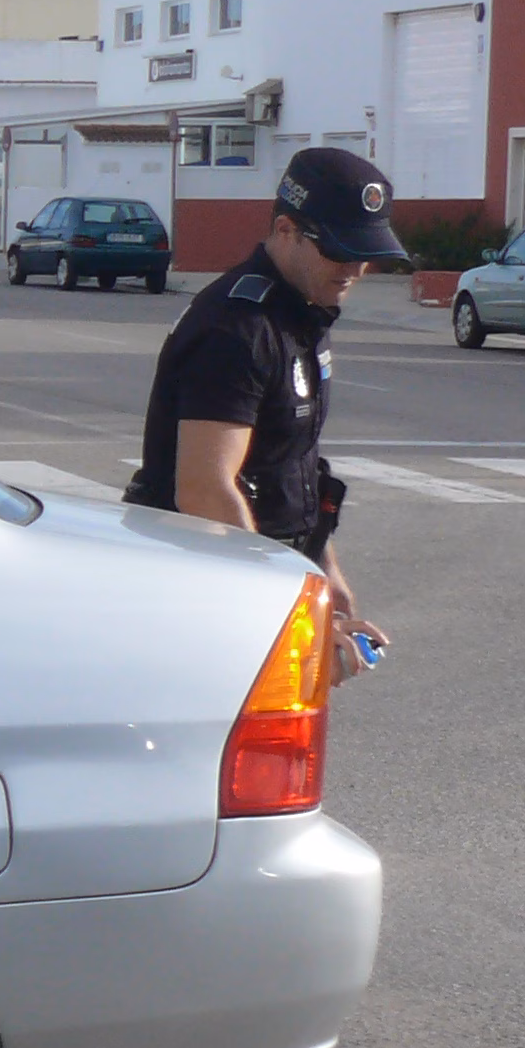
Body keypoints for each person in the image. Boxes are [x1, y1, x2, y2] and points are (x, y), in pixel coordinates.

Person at [123, 145, 406, 685]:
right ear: (285, 229)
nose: (356, 270)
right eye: (340, 251)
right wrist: (289, 618)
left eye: (365, 254)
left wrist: (325, 572)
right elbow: (205, 489)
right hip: (206, 597)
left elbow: (289, 464)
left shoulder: (298, 315)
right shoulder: (237, 328)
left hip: (253, 585)